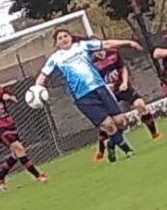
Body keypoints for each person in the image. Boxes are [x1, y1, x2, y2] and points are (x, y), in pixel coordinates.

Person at [34, 29, 141, 163]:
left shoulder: (82, 46)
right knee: (108, 125)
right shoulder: (56, 58)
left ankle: (112, 143)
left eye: (65, 36)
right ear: (56, 43)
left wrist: (128, 42)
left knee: (120, 121)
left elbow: (106, 44)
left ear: (71, 37)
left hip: (100, 89)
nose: (63, 39)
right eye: (60, 38)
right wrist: (37, 88)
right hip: (83, 97)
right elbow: (43, 75)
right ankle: (128, 150)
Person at [90, 47, 161, 162]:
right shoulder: (92, 63)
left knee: (140, 105)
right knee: (108, 123)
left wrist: (124, 83)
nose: (97, 52)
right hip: (108, 94)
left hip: (122, 88)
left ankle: (154, 133)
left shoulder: (113, 54)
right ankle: (103, 149)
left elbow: (123, 68)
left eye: (98, 48)